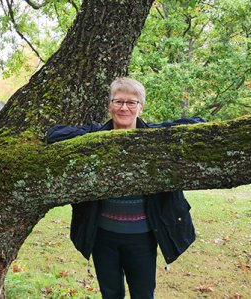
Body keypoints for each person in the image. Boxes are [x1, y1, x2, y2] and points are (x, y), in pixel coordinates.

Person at [46, 77, 204, 299]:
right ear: (110, 105)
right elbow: (53, 135)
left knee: (143, 294)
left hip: (143, 236)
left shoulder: (154, 136)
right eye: (118, 101)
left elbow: (199, 124)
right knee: (111, 294)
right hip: (103, 237)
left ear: (141, 107)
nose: (124, 108)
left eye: (131, 102)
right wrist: (96, 138)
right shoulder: (95, 133)